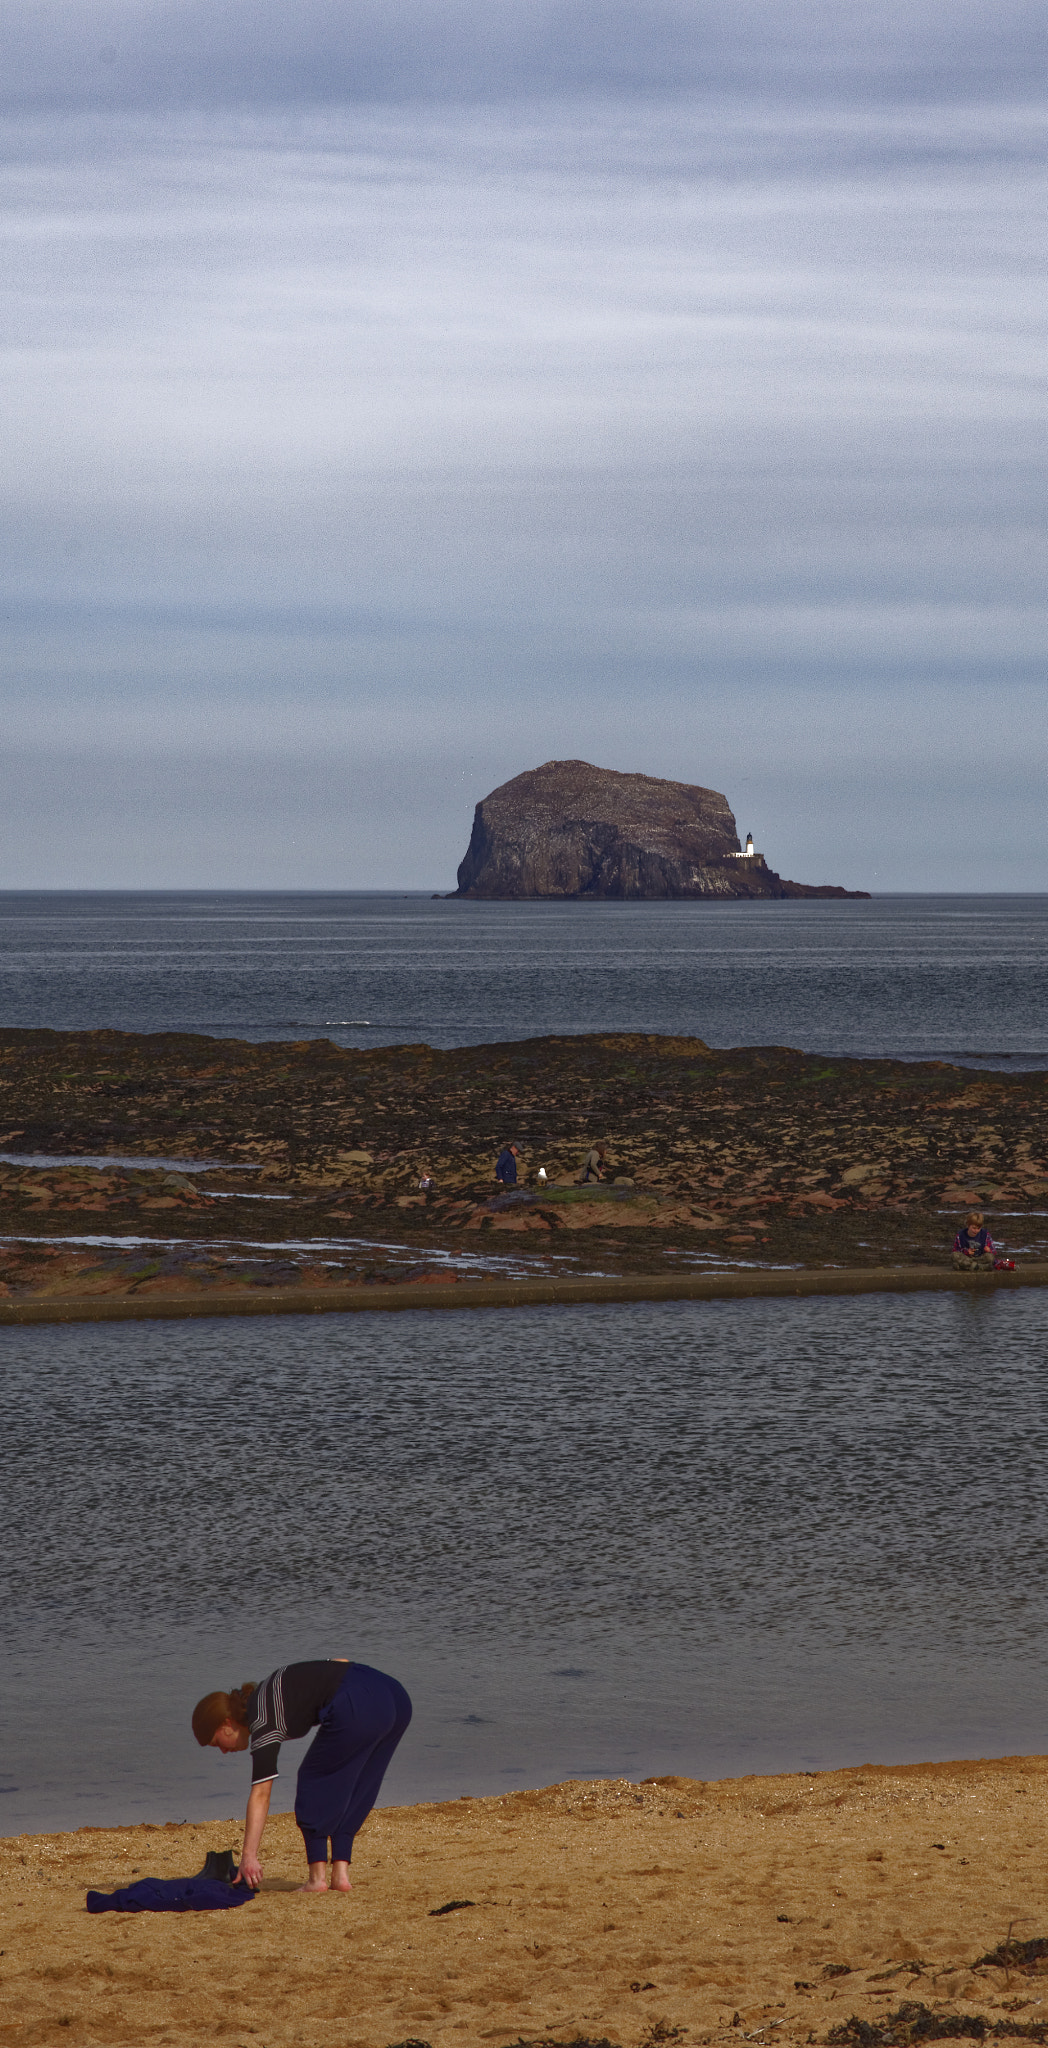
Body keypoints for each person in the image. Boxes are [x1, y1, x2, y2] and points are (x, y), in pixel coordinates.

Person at [192, 1659, 411, 1895]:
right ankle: (340, 1875)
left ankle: (317, 1880)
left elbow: (261, 1794)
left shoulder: (262, 1720)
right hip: (394, 1696)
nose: (223, 1751)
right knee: (358, 1782)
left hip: (360, 1699)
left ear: (227, 1723)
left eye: (217, 1743)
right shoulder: (268, 1690)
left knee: (311, 1778)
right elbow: (339, 1663)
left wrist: (248, 1857)